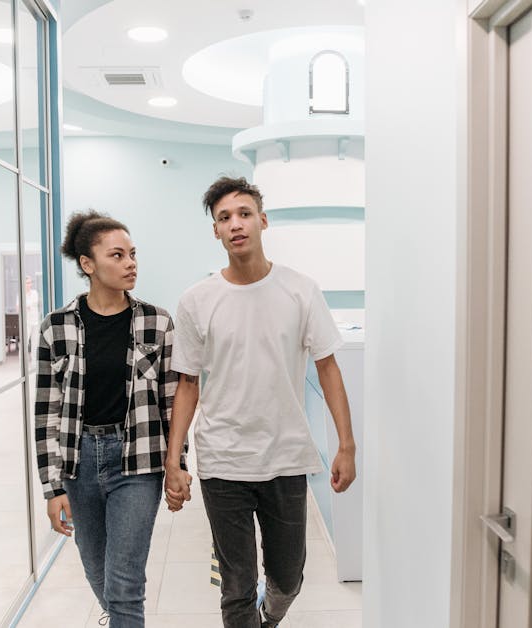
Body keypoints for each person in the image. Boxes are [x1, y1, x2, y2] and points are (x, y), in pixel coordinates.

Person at [163, 177, 357, 628]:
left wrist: (346, 445)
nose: (236, 224)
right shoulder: (196, 300)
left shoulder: (301, 290)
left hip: (286, 457)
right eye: (224, 218)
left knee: (288, 578)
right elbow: (188, 384)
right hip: (223, 459)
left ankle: (268, 617)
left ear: (262, 221)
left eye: (244, 214)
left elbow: (328, 367)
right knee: (236, 586)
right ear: (215, 231)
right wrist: (175, 460)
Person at [35, 210, 184, 628]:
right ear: (88, 264)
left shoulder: (157, 322)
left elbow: (172, 402)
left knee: (124, 583)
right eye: (117, 255)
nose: (130, 263)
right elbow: (46, 413)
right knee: (97, 571)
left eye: (132, 254)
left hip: (138, 461)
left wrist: (177, 464)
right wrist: (52, 488)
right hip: (79, 462)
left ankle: (122, 615)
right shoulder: (55, 327)